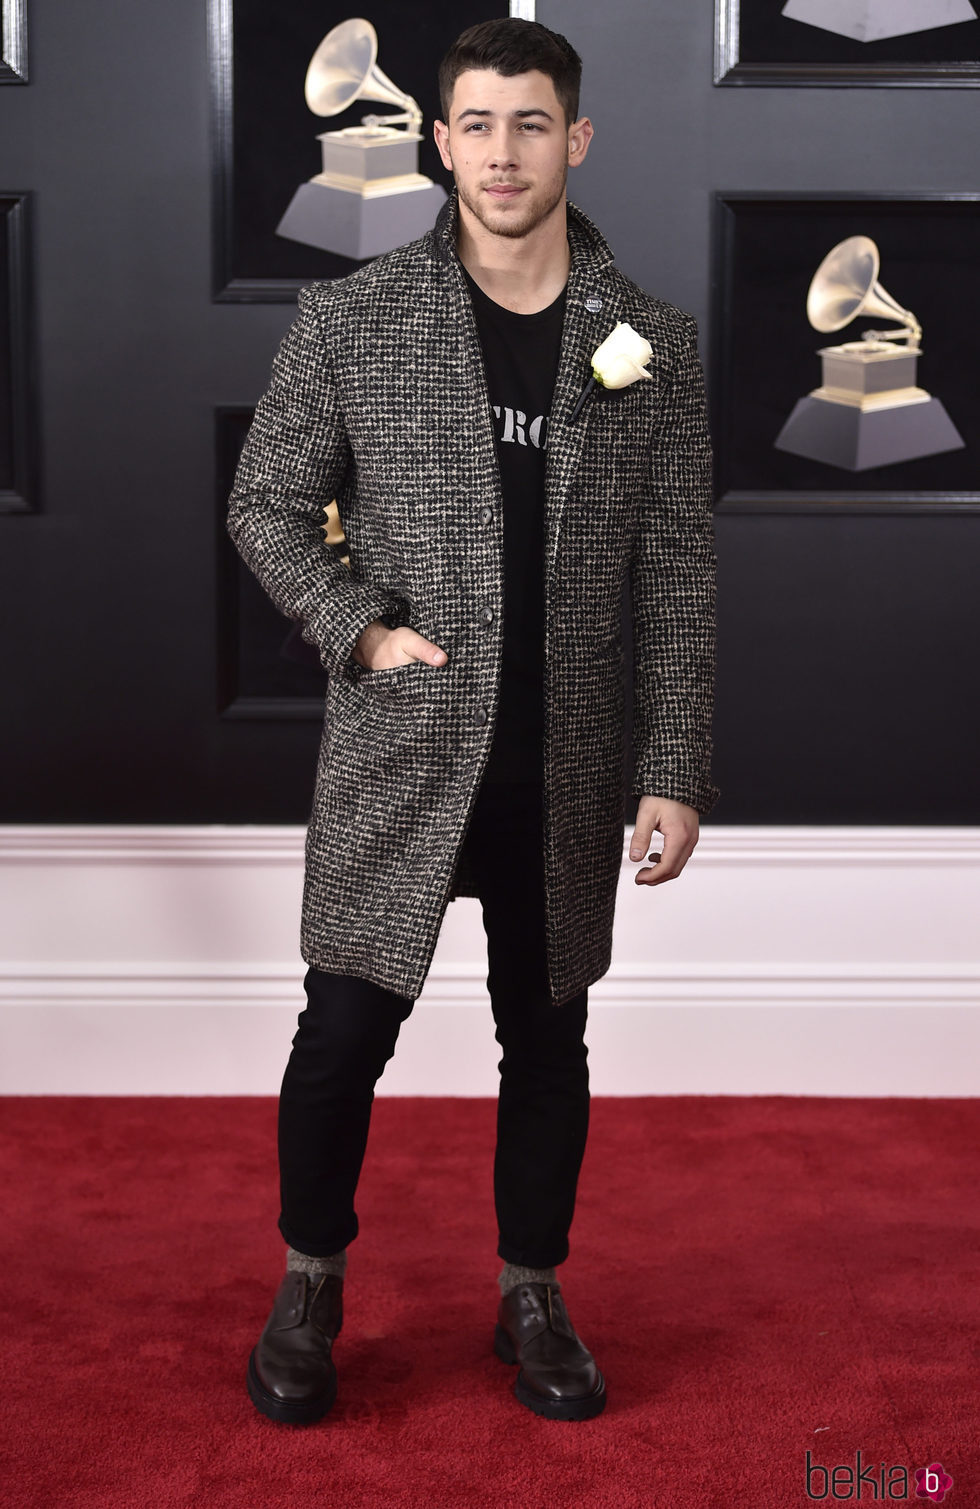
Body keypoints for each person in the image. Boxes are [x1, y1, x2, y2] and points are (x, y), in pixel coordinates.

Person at [226, 17, 719, 1427]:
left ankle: (532, 1288)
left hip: (566, 756)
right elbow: (266, 505)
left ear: (577, 138)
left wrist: (675, 763)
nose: (503, 154)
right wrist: (360, 626)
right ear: (439, 142)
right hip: (406, 745)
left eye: (530, 124)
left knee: (547, 1036)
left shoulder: (650, 342)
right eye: (477, 126)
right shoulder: (354, 319)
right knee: (339, 1032)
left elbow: (677, 564)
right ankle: (311, 1278)